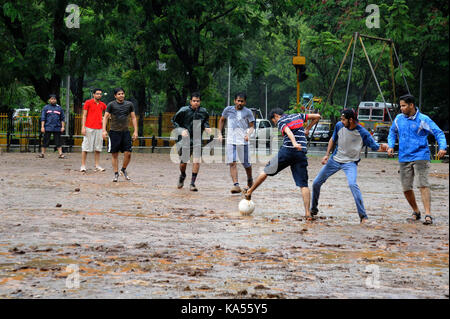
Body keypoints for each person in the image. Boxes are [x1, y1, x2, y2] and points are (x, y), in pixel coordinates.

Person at [310, 109, 388, 224]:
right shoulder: (339, 126)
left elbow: (376, 147)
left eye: (343, 119)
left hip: (350, 163)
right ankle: (313, 209)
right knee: (316, 183)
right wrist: (327, 155)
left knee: (352, 184)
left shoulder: (363, 133)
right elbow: (332, 139)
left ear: (350, 120)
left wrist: (385, 147)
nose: (341, 121)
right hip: (335, 160)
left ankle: (363, 216)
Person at [244, 108, 321, 220]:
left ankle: (249, 192)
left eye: (273, 121)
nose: (275, 123)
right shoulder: (298, 116)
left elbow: (288, 131)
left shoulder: (281, 120)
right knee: (303, 185)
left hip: (288, 151)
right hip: (301, 153)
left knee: (266, 170)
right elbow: (317, 116)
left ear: (276, 116)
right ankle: (307, 214)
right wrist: (308, 128)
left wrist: (294, 143)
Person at [387, 94, 447, 225]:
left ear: (411, 105)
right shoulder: (398, 119)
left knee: (423, 184)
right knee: (406, 187)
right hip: (404, 157)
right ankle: (416, 211)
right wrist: (391, 146)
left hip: (421, 156)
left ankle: (428, 214)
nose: (401, 108)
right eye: (401, 105)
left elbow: (438, 132)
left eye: (403, 105)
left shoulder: (423, 119)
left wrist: (442, 147)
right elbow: (392, 132)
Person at [172, 92, 212, 192]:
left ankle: (192, 183)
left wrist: (206, 127)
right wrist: (181, 130)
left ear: (200, 102)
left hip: (197, 139)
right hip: (185, 140)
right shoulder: (184, 110)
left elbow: (205, 121)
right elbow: (174, 121)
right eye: (194, 101)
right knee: (183, 163)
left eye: (198, 101)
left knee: (196, 160)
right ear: (190, 101)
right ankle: (182, 175)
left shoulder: (203, 112)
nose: (196, 103)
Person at [218, 92, 255, 193]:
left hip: (243, 141)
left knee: (246, 164)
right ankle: (236, 185)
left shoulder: (248, 112)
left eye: (242, 101)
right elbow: (221, 120)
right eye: (238, 101)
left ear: (245, 102)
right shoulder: (228, 110)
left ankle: (250, 179)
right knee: (232, 162)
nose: (239, 103)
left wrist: (248, 134)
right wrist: (219, 133)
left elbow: (252, 126)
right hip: (231, 141)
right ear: (234, 101)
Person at [102, 88, 138, 182]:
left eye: (122, 93)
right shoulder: (111, 105)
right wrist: (104, 130)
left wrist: (135, 131)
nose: (121, 95)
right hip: (114, 132)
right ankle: (116, 173)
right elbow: (105, 117)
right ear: (115, 96)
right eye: (119, 94)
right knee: (115, 154)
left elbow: (133, 118)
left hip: (125, 132)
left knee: (128, 153)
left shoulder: (129, 104)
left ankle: (123, 169)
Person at [80, 88, 107, 172]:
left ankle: (97, 165)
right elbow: (84, 115)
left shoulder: (103, 104)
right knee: (85, 147)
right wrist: (83, 127)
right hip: (89, 127)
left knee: (98, 148)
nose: (99, 95)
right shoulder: (88, 102)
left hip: (99, 128)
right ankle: (83, 165)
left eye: (100, 94)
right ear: (93, 94)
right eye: (97, 93)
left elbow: (107, 114)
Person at [37, 94, 66, 159]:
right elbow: (43, 118)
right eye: (52, 99)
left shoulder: (59, 108)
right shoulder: (46, 108)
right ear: (49, 100)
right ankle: (42, 154)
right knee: (45, 141)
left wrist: (63, 127)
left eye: (54, 99)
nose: (53, 100)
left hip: (57, 127)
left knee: (58, 141)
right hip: (48, 127)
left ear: (56, 100)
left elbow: (62, 119)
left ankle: (60, 154)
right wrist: (42, 127)